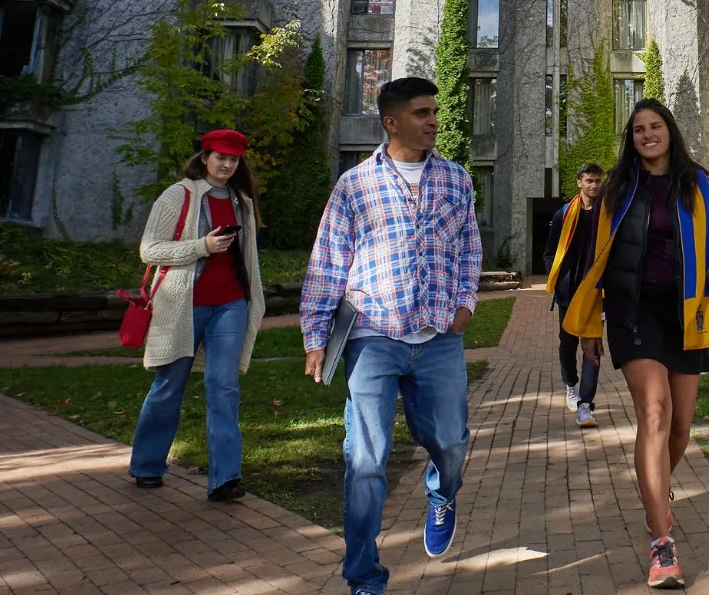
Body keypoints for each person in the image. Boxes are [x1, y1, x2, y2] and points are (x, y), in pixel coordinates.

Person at [300, 77, 482, 595]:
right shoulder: (354, 185)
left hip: (438, 338)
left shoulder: (456, 180)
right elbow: (328, 262)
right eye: (421, 113)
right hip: (371, 337)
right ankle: (363, 577)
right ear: (391, 121)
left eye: (434, 112)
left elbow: (469, 247)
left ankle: (442, 494)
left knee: (449, 443)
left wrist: (465, 304)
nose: (432, 121)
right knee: (364, 461)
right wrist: (315, 335)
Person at [561, 98, 709, 589]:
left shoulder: (699, 181)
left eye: (654, 126)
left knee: (680, 430)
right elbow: (594, 258)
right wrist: (590, 325)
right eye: (638, 129)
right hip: (631, 312)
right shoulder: (618, 186)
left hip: (686, 312)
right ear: (631, 138)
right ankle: (662, 545)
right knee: (654, 414)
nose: (647, 135)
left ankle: (654, 493)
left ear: (669, 131)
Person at [128, 129, 268, 503]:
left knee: (224, 388)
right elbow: (149, 250)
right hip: (183, 305)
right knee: (169, 386)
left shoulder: (241, 201)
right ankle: (146, 465)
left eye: (234, 159)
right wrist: (201, 247)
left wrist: (255, 297)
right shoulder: (179, 195)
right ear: (205, 157)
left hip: (231, 304)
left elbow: (248, 257)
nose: (226, 164)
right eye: (220, 157)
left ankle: (225, 478)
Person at [545, 163, 605, 429]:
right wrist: (558, 280)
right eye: (589, 181)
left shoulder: (607, 215)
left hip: (595, 292)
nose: (594, 185)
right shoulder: (563, 215)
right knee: (567, 343)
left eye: (597, 181)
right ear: (579, 183)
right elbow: (550, 252)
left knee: (593, 346)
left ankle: (586, 404)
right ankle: (571, 385)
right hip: (569, 292)